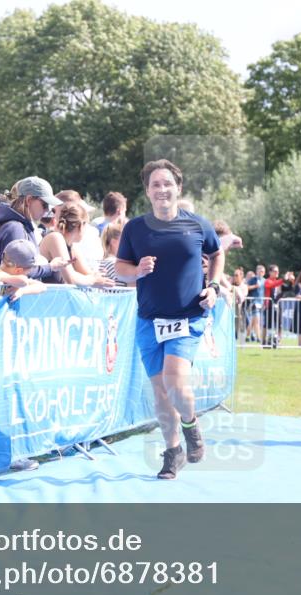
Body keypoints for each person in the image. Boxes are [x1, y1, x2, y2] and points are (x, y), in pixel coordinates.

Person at [115, 159, 223, 480]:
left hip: (187, 317)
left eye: (167, 183)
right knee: (160, 393)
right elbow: (120, 267)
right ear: (147, 191)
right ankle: (173, 451)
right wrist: (136, 272)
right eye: (155, 184)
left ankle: (190, 424)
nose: (162, 189)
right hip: (149, 319)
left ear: (178, 188)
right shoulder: (135, 228)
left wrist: (214, 287)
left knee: (176, 384)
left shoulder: (197, 225)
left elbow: (217, 254)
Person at [39, 203, 116, 287]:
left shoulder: (72, 246)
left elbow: (87, 273)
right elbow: (70, 279)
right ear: (81, 226)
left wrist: (97, 276)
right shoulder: (55, 238)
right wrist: (93, 280)